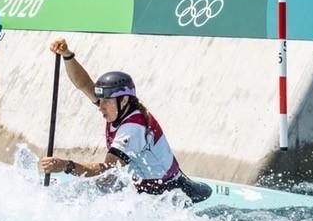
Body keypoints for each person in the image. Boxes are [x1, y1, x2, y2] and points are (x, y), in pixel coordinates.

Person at [40, 38, 211, 203]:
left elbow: (106, 172)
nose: (100, 106)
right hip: (144, 187)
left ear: (124, 100)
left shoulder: (133, 128)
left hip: (166, 194)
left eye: (106, 101)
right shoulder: (119, 109)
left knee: (100, 185)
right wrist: (67, 55)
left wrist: (65, 166)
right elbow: (84, 84)